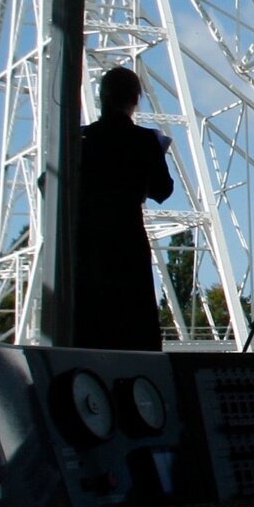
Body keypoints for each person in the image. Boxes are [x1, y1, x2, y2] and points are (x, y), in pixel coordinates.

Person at [73, 66, 175, 351]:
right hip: (127, 236)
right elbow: (162, 190)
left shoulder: (81, 140)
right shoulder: (145, 141)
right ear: (135, 98)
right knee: (132, 319)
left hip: (88, 239)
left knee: (91, 320)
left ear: (102, 96)